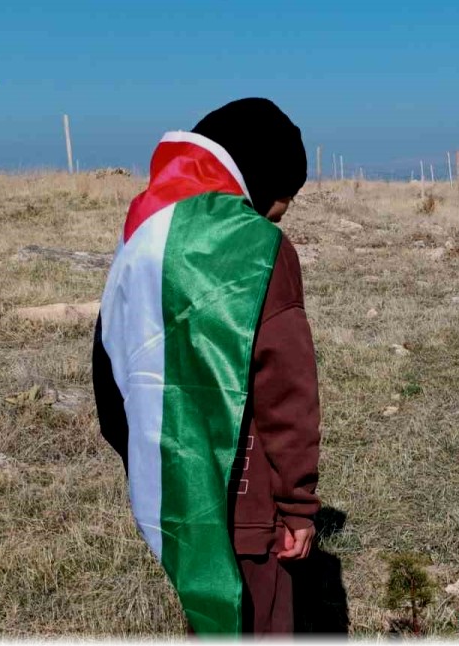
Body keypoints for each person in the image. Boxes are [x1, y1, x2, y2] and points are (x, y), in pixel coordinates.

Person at [92, 97, 321, 635]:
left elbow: (110, 366)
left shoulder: (145, 235)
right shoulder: (259, 249)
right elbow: (288, 390)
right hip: (251, 506)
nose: (268, 218)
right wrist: (297, 505)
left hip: (176, 489)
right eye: (277, 205)